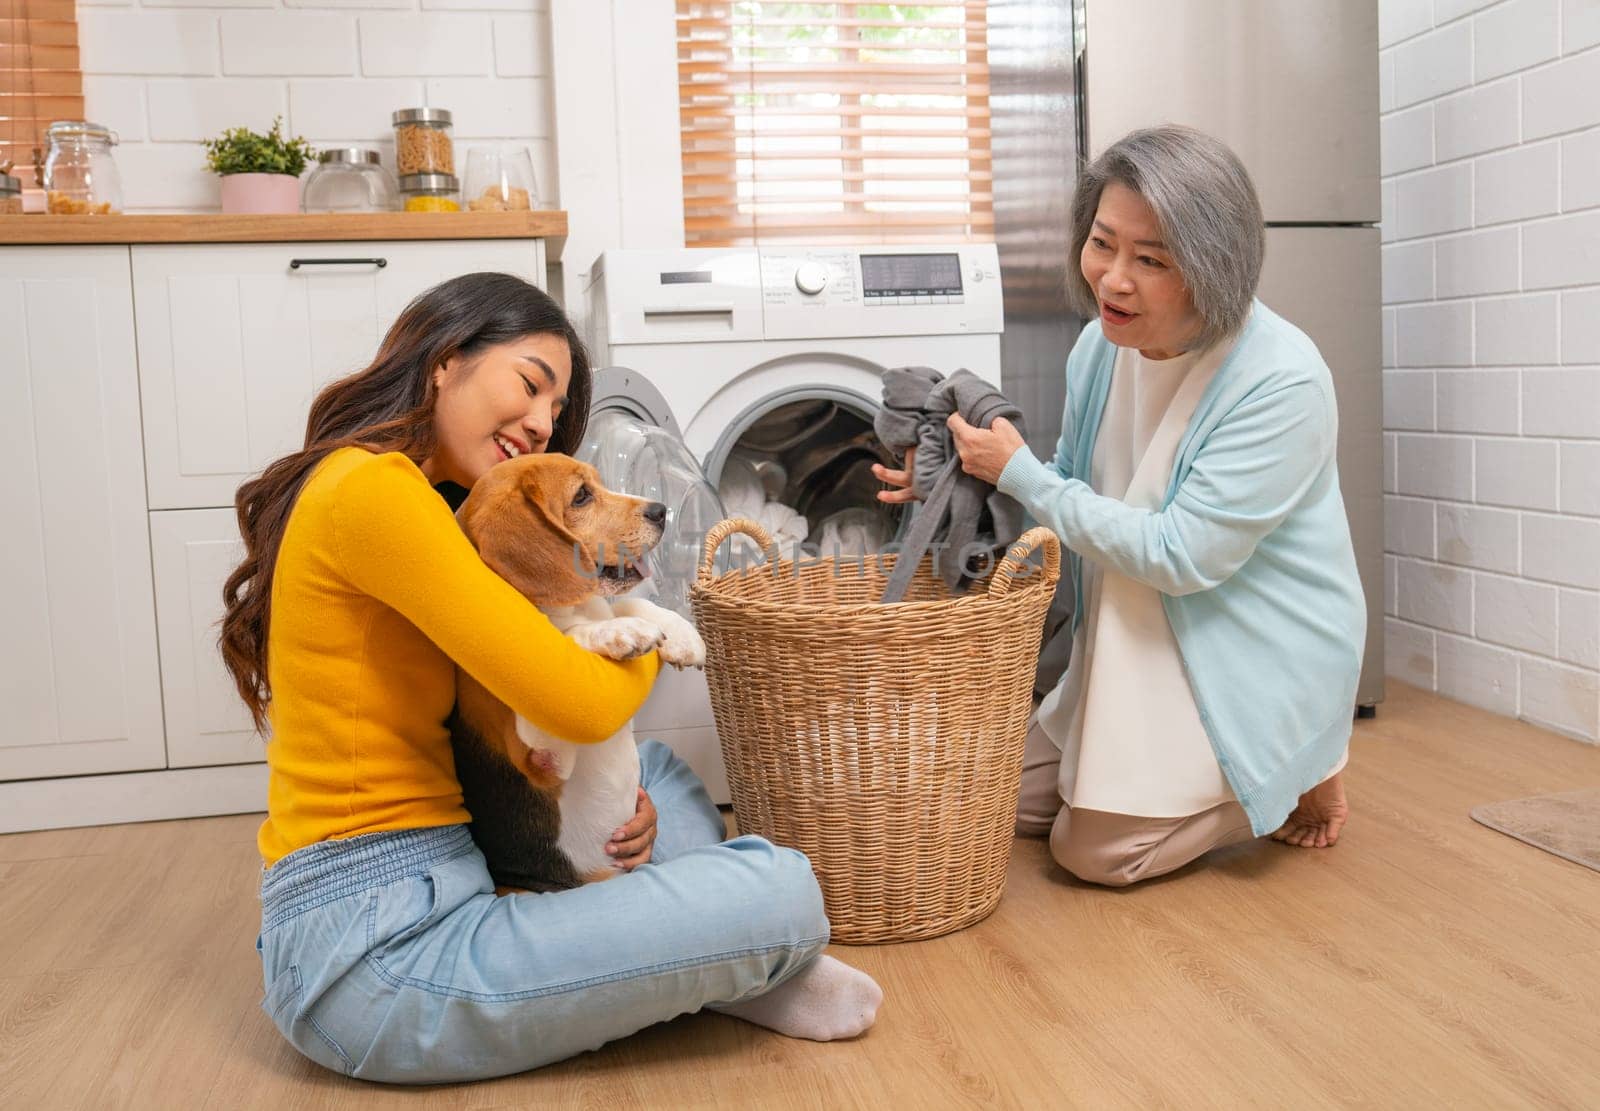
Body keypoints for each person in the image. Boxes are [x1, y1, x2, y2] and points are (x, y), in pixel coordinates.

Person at [222, 272, 881, 1084]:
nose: (538, 422)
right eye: (530, 383)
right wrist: (642, 618)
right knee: (784, 888)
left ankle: (682, 961)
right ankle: (713, 960)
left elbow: (537, 721)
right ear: (444, 359)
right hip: (374, 955)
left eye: (552, 410)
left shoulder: (427, 501)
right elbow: (574, 697)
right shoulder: (377, 495)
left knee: (662, 780)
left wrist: (613, 755)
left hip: (466, 865)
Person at [875, 125, 1366, 887]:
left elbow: (1182, 555)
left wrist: (1022, 474)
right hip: (1136, 632)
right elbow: (1069, 487)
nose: (1113, 279)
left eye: (1151, 260)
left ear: (1212, 269)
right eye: (1103, 243)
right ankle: (1250, 770)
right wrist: (958, 487)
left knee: (1095, 853)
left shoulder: (1283, 382)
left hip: (1241, 652)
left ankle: (1289, 772)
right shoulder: (1101, 348)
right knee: (993, 800)